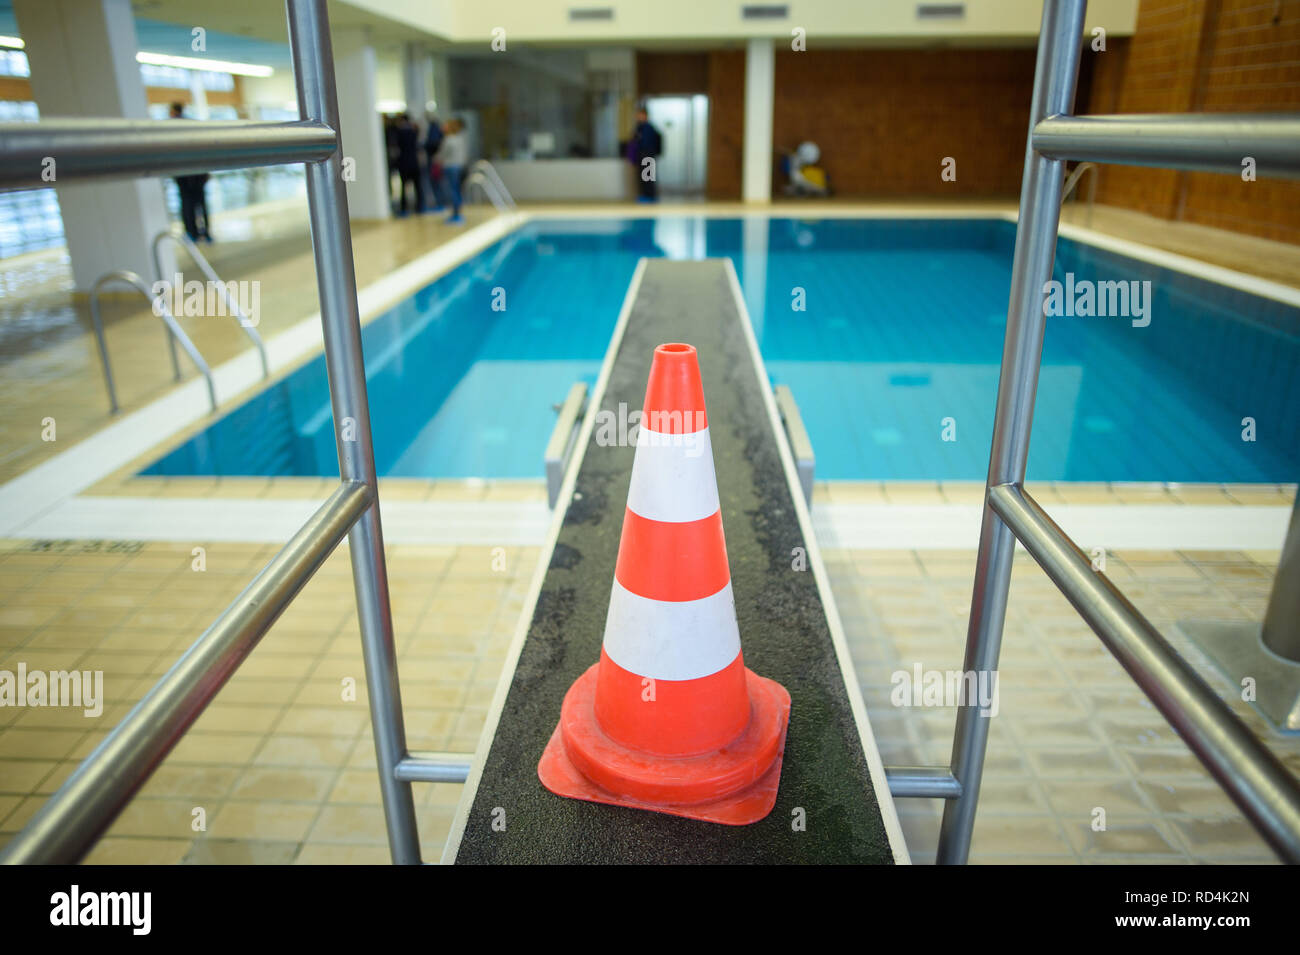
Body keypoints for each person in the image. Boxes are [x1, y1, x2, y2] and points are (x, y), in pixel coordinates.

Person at [169, 103, 212, 242]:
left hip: (184, 175)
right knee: (201, 204)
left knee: (187, 206)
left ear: (173, 111)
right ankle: (205, 233)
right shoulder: (192, 124)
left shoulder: (171, 128)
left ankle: (191, 233)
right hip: (198, 173)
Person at [436, 118, 468, 224]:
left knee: (453, 191)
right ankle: (458, 212)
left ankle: (455, 214)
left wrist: (437, 159)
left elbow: (443, 154)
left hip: (450, 167)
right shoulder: (460, 139)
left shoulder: (448, 139)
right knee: (457, 190)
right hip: (459, 167)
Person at [627, 107, 662, 202]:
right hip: (642, 154)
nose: (638, 117)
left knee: (648, 177)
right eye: (638, 115)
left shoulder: (648, 128)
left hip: (648, 154)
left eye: (640, 115)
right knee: (643, 177)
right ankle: (646, 195)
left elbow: (645, 143)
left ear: (645, 116)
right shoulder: (640, 127)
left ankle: (650, 196)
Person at [393, 113, 424, 215]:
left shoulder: (398, 133)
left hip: (404, 163)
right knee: (417, 186)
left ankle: (404, 208)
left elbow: (396, 148)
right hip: (414, 162)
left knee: (404, 187)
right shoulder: (414, 131)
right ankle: (420, 207)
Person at [423, 114, 446, 211]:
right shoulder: (439, 131)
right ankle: (440, 202)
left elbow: (433, 145)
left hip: (435, 162)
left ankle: (439, 203)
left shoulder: (433, 131)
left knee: (436, 183)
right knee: (437, 183)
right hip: (437, 161)